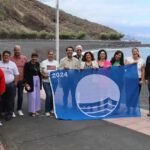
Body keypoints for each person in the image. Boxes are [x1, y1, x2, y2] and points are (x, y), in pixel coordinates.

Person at [0, 50, 19, 121]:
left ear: (9, 56)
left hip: (10, 85)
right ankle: (3, 112)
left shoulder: (13, 64)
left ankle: (9, 114)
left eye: (7, 56)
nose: (6, 57)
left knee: (10, 100)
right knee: (2, 100)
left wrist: (15, 83)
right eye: (4, 55)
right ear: (2, 56)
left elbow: (17, 74)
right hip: (1, 86)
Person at [11, 45, 27, 116]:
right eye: (16, 50)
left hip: (21, 80)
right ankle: (11, 111)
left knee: (20, 95)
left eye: (18, 50)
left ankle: (19, 109)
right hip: (13, 81)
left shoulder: (24, 58)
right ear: (14, 51)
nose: (17, 51)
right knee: (12, 96)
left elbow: (27, 69)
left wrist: (26, 80)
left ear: (20, 50)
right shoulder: (10, 59)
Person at [40, 51, 58, 117]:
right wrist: (44, 75)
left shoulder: (56, 62)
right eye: (49, 54)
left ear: (54, 55)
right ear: (47, 55)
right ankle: (47, 110)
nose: (51, 55)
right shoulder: (44, 62)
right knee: (49, 95)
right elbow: (41, 71)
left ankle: (51, 109)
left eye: (52, 54)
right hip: (46, 82)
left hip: (54, 82)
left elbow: (58, 71)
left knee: (53, 95)